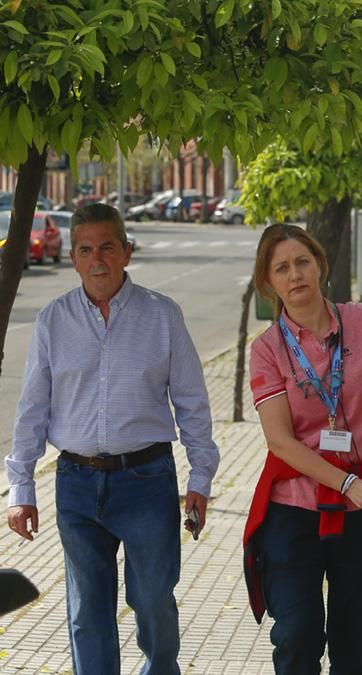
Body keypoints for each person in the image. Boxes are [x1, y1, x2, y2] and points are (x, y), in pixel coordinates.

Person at [5, 203, 220, 674]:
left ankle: (160, 668)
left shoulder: (163, 317)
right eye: (85, 249)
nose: (97, 259)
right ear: (75, 259)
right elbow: (32, 411)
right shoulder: (52, 321)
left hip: (147, 481)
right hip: (76, 484)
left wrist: (200, 478)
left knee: (152, 601)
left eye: (107, 247)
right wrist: (21, 489)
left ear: (126, 251)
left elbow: (192, 404)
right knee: (88, 612)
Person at [242, 224, 362, 673]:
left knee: (358, 640)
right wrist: (348, 484)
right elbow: (280, 441)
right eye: (282, 268)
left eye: (302, 261)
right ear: (268, 283)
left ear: (320, 265)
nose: (295, 275)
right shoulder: (267, 350)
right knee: (297, 636)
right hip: (295, 508)